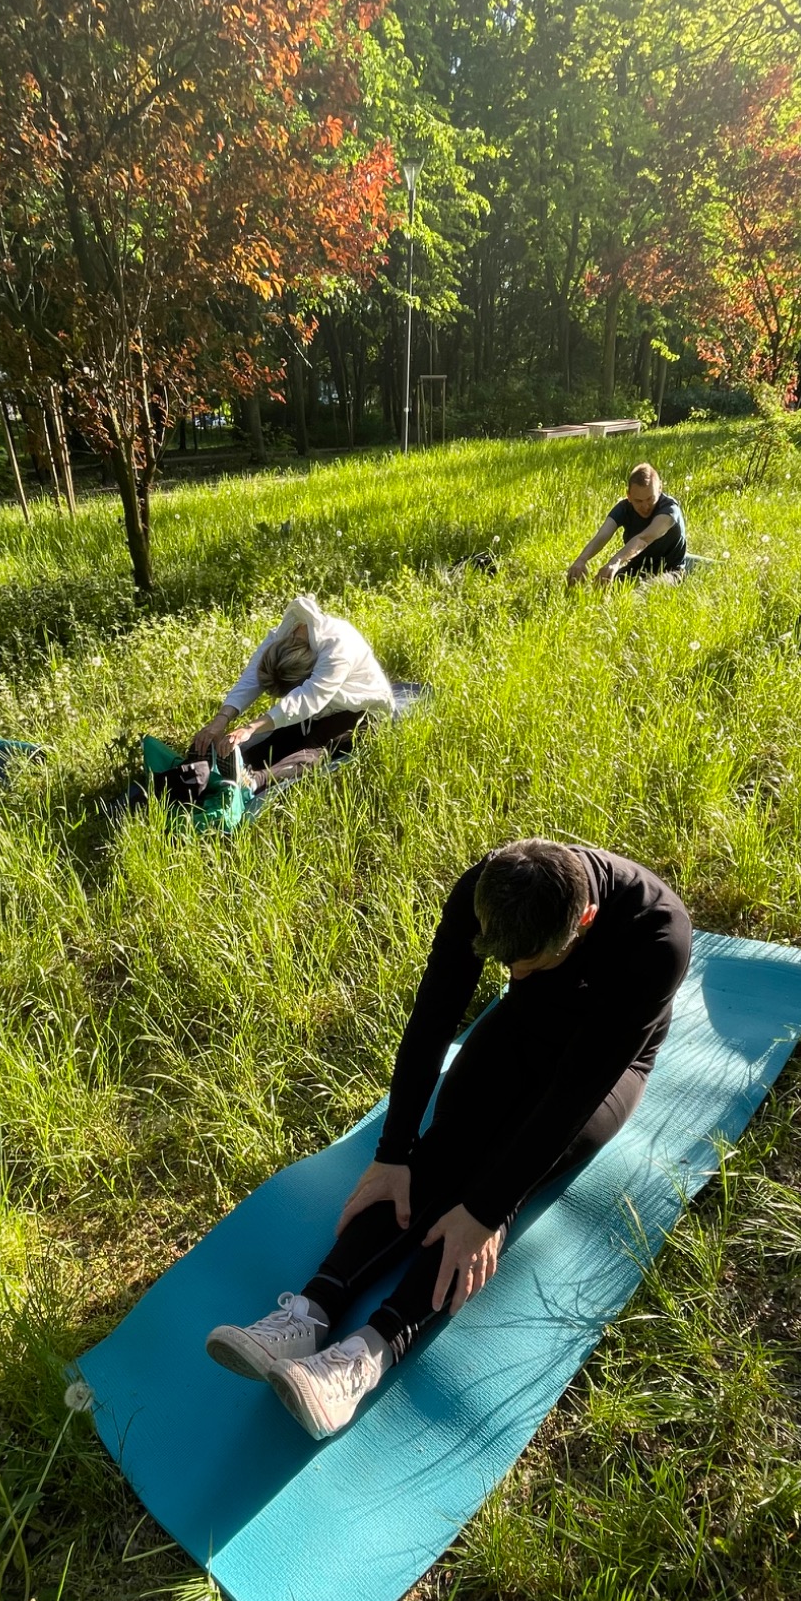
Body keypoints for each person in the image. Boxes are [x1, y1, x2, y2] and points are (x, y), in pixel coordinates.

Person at [205, 838, 693, 1439]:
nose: (513, 974)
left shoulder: (656, 937)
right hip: (524, 1027)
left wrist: (485, 1212)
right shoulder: (489, 886)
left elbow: (570, 1094)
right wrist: (392, 1152)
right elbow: (435, 1013)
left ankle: (366, 1355)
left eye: (529, 962)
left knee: (502, 1176)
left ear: (584, 920)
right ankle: (310, 1313)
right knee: (443, 1144)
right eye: (504, 962)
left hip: (608, 1067)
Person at [187, 594, 395, 792]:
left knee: (314, 746)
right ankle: (219, 763)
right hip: (319, 711)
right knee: (279, 739)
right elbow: (251, 679)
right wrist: (220, 722)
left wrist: (250, 727)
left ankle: (252, 782)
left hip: (361, 713)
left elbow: (306, 700)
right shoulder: (283, 636)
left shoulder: (338, 649)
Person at [566, 463, 687, 585]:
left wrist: (615, 561)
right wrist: (581, 560)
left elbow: (644, 539)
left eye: (650, 499)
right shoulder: (623, 508)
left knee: (641, 594)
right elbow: (602, 536)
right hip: (636, 569)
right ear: (629, 496)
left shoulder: (670, 510)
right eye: (638, 501)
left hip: (671, 572)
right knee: (600, 587)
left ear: (659, 489)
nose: (645, 506)